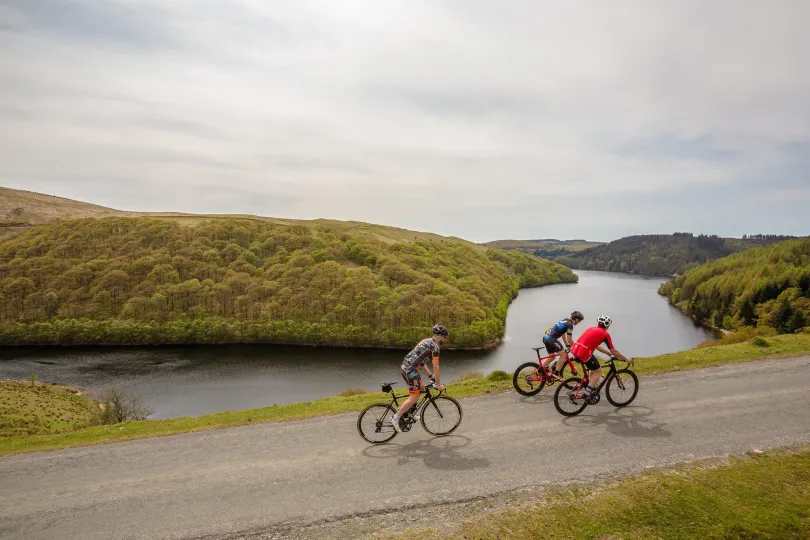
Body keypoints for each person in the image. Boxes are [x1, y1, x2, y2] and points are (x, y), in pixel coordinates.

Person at [391, 324, 448, 433]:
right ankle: (395, 418)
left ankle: (409, 413)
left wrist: (430, 375)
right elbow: (436, 367)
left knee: (421, 387)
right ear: (440, 337)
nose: (444, 340)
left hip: (405, 366)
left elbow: (420, 360)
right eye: (444, 338)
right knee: (414, 397)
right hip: (410, 370)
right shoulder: (435, 348)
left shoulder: (426, 341)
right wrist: (438, 384)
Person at [570, 315, 633, 397]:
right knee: (598, 371)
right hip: (584, 353)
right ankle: (587, 393)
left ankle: (590, 384)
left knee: (593, 367)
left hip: (575, 349)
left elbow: (596, 346)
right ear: (607, 325)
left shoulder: (590, 329)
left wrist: (608, 353)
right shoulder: (605, 334)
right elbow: (613, 350)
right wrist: (625, 359)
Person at [541, 311, 584, 379]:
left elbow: (563, 333)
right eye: (579, 321)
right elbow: (570, 340)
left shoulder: (565, 320)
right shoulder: (570, 325)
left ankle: (541, 369)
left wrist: (566, 344)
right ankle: (556, 373)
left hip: (546, 337)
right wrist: (576, 347)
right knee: (563, 355)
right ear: (576, 319)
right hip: (551, 339)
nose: (579, 323)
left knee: (552, 356)